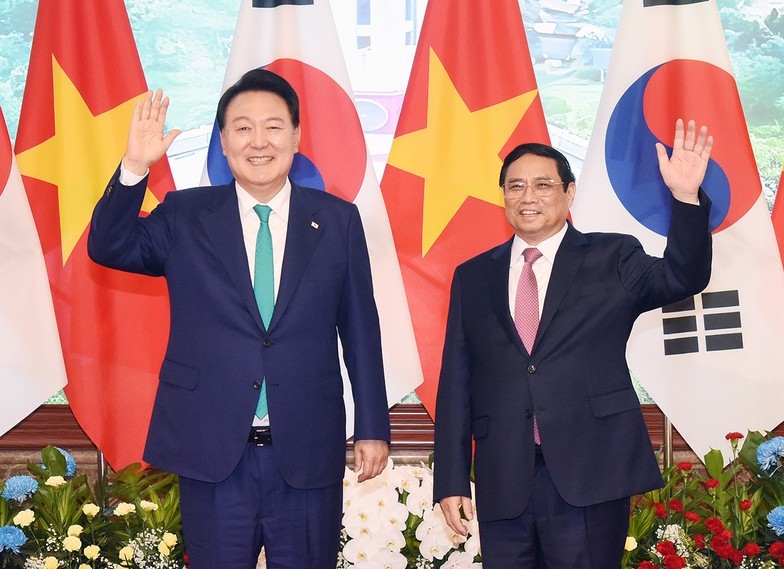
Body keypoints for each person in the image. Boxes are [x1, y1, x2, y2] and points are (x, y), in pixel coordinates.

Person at [88, 69, 390, 569]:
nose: (259, 141)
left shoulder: (337, 220)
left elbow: (361, 328)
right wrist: (134, 168)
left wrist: (373, 426)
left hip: (307, 446)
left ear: (296, 135)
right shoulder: (184, 214)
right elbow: (109, 246)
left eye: (273, 127)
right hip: (211, 447)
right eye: (242, 127)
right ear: (224, 140)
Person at [433, 119, 713, 567]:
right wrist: (449, 478)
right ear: (502, 195)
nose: (528, 196)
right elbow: (456, 383)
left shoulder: (613, 257)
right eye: (516, 186)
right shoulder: (473, 275)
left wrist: (684, 197)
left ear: (569, 192)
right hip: (504, 475)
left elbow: (685, 276)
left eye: (543, 185)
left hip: (591, 470)